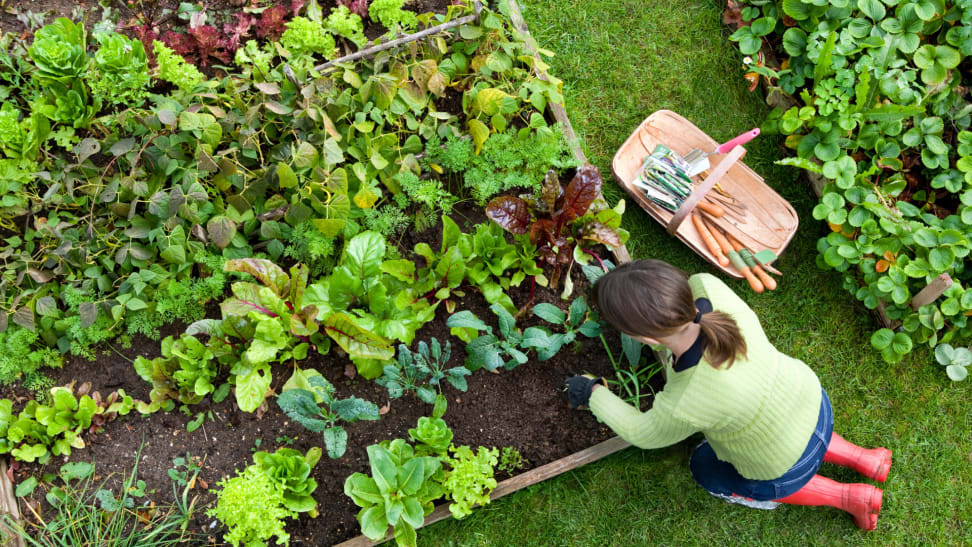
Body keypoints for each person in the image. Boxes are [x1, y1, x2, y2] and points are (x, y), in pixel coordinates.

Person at [565, 259, 891, 531]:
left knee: (704, 468)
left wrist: (592, 393)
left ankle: (849, 497)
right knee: (791, 429)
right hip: (811, 401)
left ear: (646, 338)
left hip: (781, 464)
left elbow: (643, 432)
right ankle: (866, 459)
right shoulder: (708, 287)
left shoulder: (686, 399)